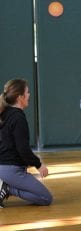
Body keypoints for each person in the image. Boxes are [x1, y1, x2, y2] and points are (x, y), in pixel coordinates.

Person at [0, 79, 53, 208]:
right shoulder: (18, 118)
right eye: (27, 92)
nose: (29, 95)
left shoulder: (4, 114)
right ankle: (7, 188)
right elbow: (23, 150)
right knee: (46, 198)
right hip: (10, 169)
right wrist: (39, 165)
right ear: (20, 97)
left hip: (4, 167)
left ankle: (6, 185)